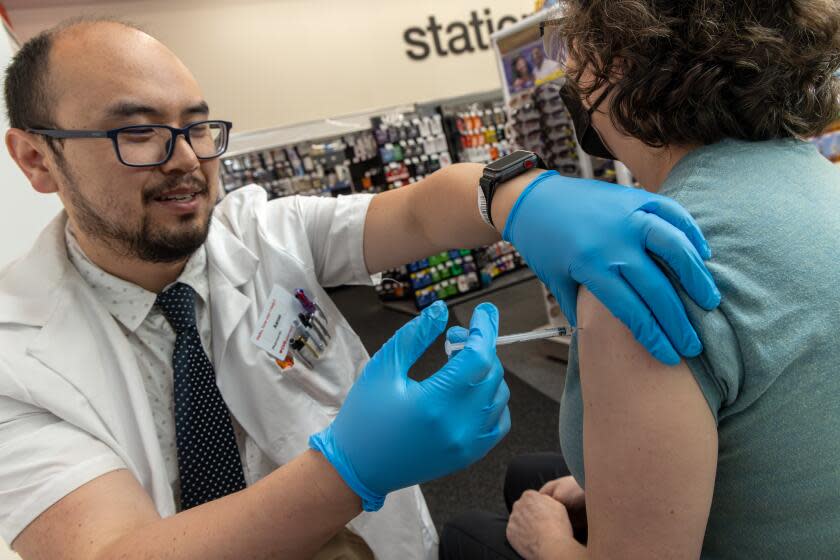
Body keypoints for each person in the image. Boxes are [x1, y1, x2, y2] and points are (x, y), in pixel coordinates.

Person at [0, 18, 720, 560]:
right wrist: (351, 467)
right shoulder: (18, 358)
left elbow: (414, 210)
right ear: (36, 159)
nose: (186, 160)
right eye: (138, 135)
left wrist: (520, 197)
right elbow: (112, 553)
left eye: (197, 127)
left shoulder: (256, 232)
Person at [440, 1, 840, 558]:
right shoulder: (827, 185)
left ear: (618, 64)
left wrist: (548, 542)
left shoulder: (637, 273)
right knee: (533, 473)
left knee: (467, 534)